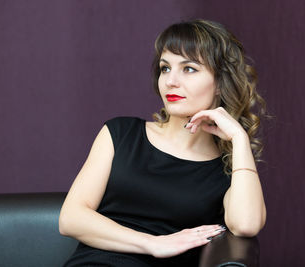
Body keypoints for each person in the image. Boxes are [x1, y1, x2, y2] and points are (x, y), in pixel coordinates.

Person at [59, 19, 267, 266]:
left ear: (220, 83)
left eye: (189, 68)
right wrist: (154, 243)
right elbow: (70, 218)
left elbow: (246, 225)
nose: (171, 81)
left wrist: (239, 139)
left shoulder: (227, 170)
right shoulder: (121, 133)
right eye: (165, 68)